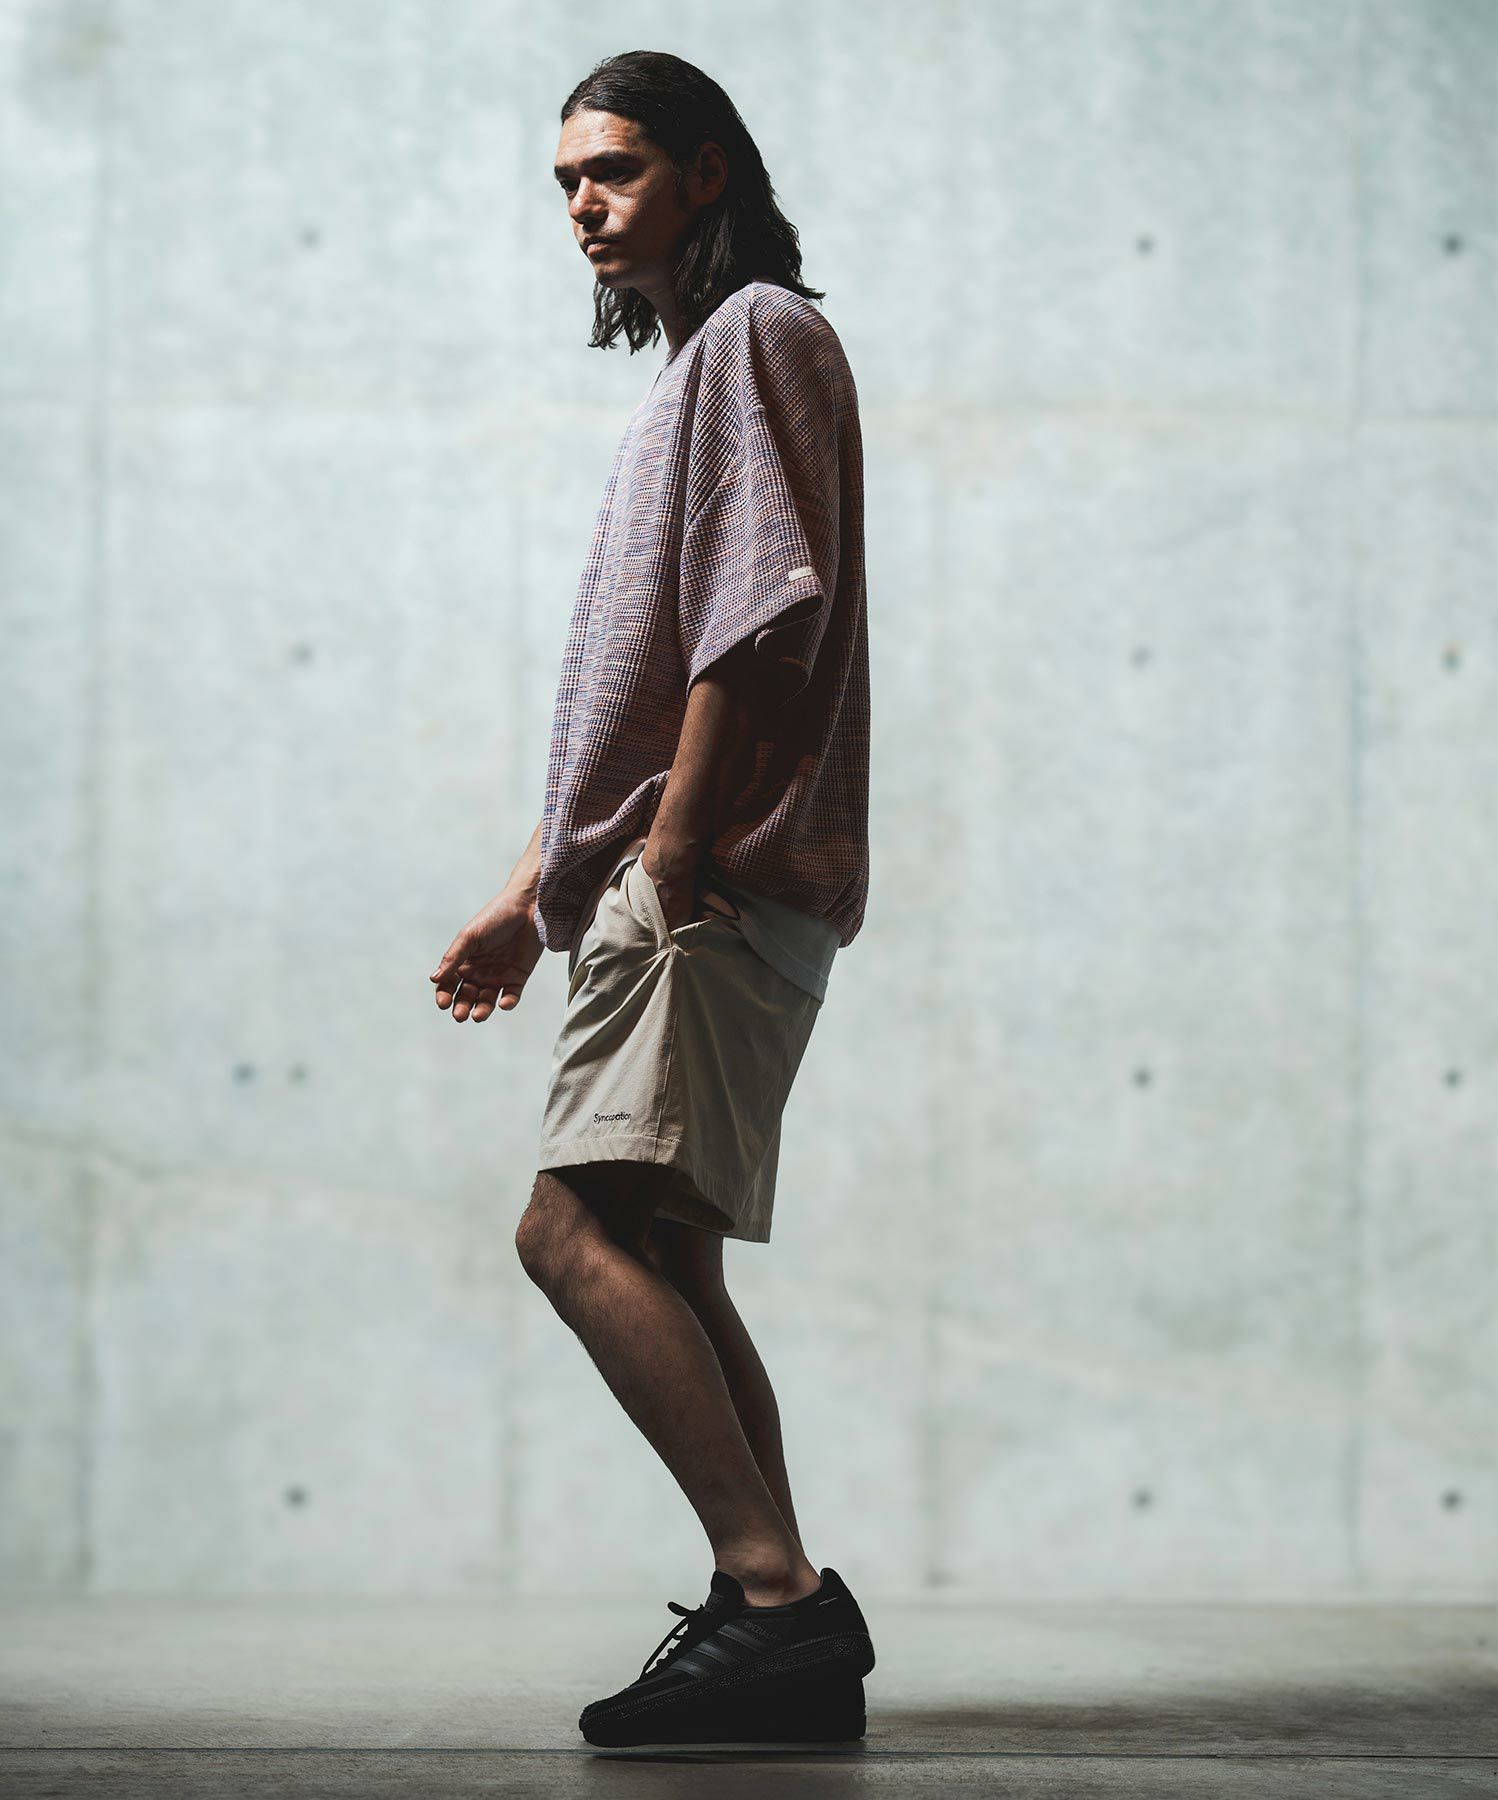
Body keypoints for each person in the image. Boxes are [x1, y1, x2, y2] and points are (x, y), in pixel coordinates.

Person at [429, 49, 873, 1748]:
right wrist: (528, 890)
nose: (582, 206)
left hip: (706, 880)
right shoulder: (708, 365)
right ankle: (784, 1622)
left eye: (610, 170)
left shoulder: (758, 333)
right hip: (690, 873)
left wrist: (671, 859)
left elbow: (759, 623)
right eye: (563, 183)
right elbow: (639, 683)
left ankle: (775, 1599)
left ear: (707, 171)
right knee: (672, 1258)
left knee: (570, 1234)